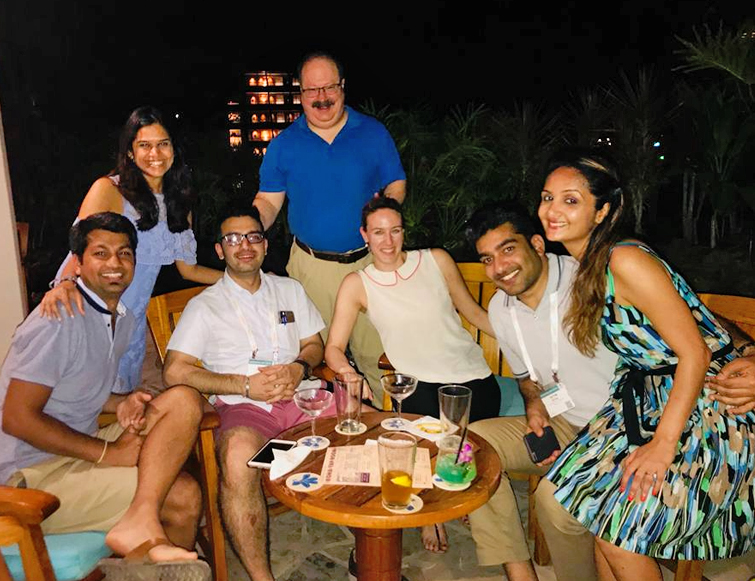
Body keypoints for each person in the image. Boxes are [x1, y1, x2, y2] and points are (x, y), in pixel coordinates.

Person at [538, 147, 755, 580]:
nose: (552, 210)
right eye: (547, 197)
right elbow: (698, 316)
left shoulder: (625, 258)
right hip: (649, 400)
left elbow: (696, 350)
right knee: (598, 509)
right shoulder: (591, 266)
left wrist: (663, 445)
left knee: (621, 522)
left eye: (570, 199)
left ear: (602, 212)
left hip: (708, 405)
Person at [0, 213, 206, 573]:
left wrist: (121, 401)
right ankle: (146, 541)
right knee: (183, 496)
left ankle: (138, 522)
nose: (115, 263)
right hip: (28, 477)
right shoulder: (58, 318)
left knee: (183, 401)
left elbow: (76, 387)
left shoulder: (120, 316)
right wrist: (108, 453)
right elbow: (17, 417)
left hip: (78, 444)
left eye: (125, 254)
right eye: (101, 253)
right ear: (77, 263)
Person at [162, 203, 337, 581]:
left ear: (265, 244)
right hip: (247, 409)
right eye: (233, 238)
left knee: (363, 422)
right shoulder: (204, 306)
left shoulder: (290, 289)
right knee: (240, 457)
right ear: (220, 250)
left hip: (303, 399)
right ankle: (262, 577)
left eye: (253, 236)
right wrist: (244, 385)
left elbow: (314, 344)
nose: (245, 244)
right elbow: (174, 371)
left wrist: (299, 367)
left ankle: (373, 534)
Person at [325, 196, 501, 553]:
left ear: (404, 231)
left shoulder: (434, 260)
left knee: (466, 454)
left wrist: (527, 342)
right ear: (364, 235)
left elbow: (474, 312)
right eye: (378, 233)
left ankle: (457, 489)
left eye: (394, 231)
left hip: (471, 376)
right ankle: (434, 514)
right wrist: (347, 372)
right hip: (418, 385)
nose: (387, 241)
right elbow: (333, 348)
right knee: (426, 440)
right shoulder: (358, 283)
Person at [463, 202, 617, 581]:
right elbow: (526, 376)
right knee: (474, 445)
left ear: (536, 244)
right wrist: (535, 405)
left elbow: (678, 317)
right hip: (562, 422)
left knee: (555, 500)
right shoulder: (501, 308)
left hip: (615, 429)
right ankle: (520, 571)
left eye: (508, 249)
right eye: (487, 259)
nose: (499, 267)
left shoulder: (589, 282)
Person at [254, 51, 406, 401]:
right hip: (309, 270)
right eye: (312, 90)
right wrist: (250, 230)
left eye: (329, 87)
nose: (321, 97)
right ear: (301, 94)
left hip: (370, 266)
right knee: (309, 359)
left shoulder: (372, 133)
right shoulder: (283, 145)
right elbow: (268, 202)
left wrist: (386, 215)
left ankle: (386, 434)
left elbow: (396, 182)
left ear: (342, 87)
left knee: (381, 359)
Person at [40, 106, 222, 394]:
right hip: (90, 308)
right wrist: (63, 285)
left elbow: (188, 269)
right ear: (129, 152)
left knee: (119, 401)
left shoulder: (178, 203)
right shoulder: (109, 189)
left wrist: (237, 279)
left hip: (131, 319)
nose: (155, 153)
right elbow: (78, 248)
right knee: (73, 396)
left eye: (163, 144)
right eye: (144, 145)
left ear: (174, 149)